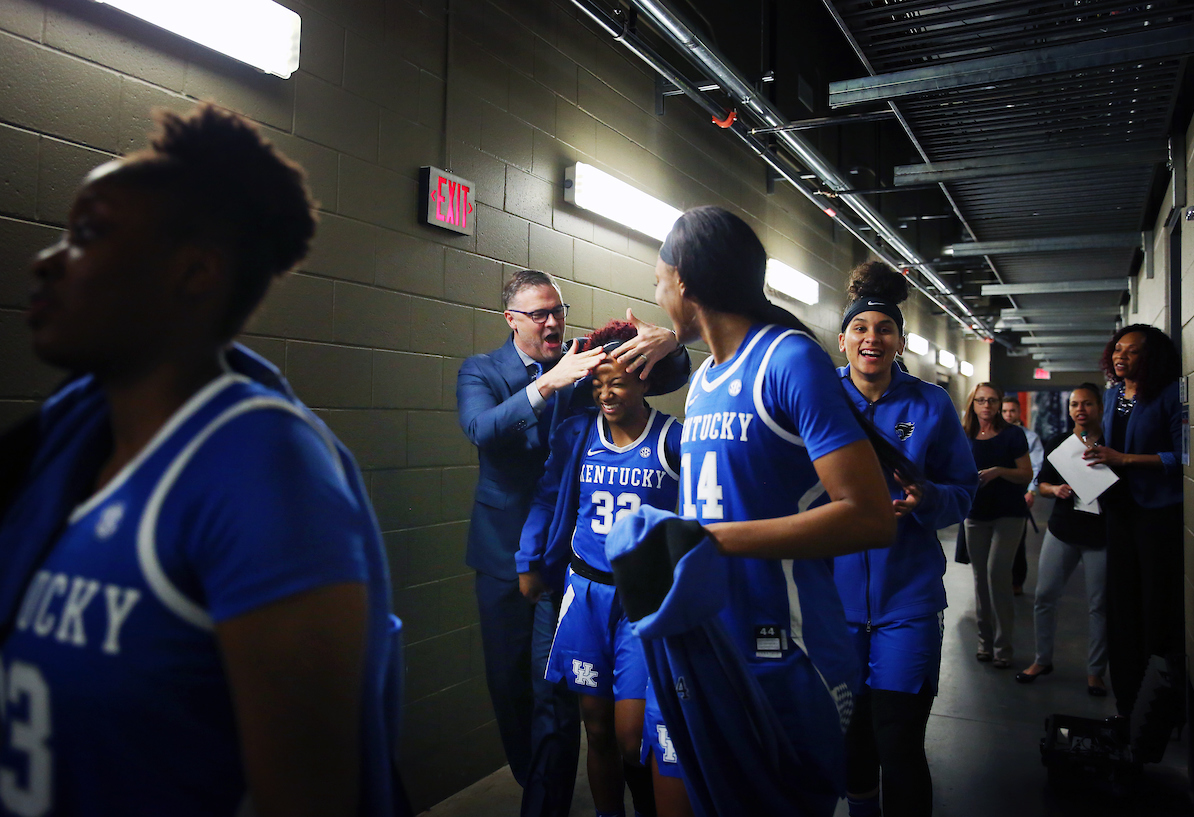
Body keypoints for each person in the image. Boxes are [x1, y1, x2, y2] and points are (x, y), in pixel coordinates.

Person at [0, 104, 403, 815]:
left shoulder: (261, 464)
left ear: (194, 271)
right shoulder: (60, 451)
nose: (46, 259)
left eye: (87, 234)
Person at [633, 206, 902, 817]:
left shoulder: (788, 360)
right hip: (707, 640)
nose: (656, 294)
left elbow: (869, 516)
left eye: (657, 279)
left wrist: (713, 540)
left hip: (786, 648)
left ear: (684, 283)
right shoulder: (702, 378)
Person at [456, 270, 689, 817]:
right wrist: (550, 383)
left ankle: (547, 805)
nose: (553, 321)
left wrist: (672, 338)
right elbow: (481, 430)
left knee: (555, 701)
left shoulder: (589, 360)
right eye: (538, 313)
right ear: (511, 319)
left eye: (557, 309)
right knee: (512, 690)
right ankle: (537, 779)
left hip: (579, 564)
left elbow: (660, 373)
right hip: (507, 553)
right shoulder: (484, 371)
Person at [518, 320, 681, 817]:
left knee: (635, 736)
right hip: (586, 594)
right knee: (598, 729)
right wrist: (529, 558)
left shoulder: (674, 440)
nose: (606, 393)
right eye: (599, 384)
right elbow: (548, 499)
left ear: (645, 381)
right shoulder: (577, 434)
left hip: (643, 600)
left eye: (618, 382)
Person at [832, 262, 977, 817]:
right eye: (861, 329)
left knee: (899, 741)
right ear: (843, 337)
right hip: (835, 603)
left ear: (899, 339)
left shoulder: (930, 403)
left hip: (908, 602)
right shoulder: (819, 398)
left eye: (884, 329)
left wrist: (928, 501)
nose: (872, 339)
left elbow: (963, 489)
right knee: (851, 742)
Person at [1084, 325, 1183, 721]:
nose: (1122, 356)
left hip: (1156, 512)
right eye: (1118, 349)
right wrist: (1095, 454)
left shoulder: (1170, 393)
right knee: (1120, 604)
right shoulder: (1112, 396)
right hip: (1119, 510)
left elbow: (1181, 458)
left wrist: (1122, 459)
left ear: (1152, 356)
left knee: (1154, 605)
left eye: (1134, 351)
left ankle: (1157, 705)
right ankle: (1126, 701)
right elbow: (1111, 446)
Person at [1016, 384, 1108, 696]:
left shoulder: (1113, 444)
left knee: (1100, 605)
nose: (1080, 410)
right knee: (1044, 596)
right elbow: (1041, 485)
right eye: (1074, 404)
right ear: (1069, 410)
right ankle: (1042, 660)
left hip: (1100, 535)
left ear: (1099, 407)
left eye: (1087, 404)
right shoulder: (1059, 443)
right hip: (1063, 529)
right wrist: (1055, 490)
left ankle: (1095, 672)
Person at [962, 382, 1032, 670]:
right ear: (973, 404)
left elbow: (1026, 474)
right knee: (980, 578)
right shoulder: (964, 435)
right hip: (976, 513)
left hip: (1009, 513)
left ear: (999, 403)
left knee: (997, 574)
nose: (986, 406)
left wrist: (999, 472)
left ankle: (1004, 646)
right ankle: (984, 642)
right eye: (981, 400)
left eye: (992, 400)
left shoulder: (1012, 435)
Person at [1001, 396, 1044, 596]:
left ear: (1019, 413)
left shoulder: (1029, 437)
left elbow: (1035, 466)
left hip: (1019, 491)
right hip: (997, 492)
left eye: (1012, 411)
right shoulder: (993, 435)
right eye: (1005, 411)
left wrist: (1030, 490)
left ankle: (1017, 581)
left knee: (1017, 541)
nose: (1008, 415)